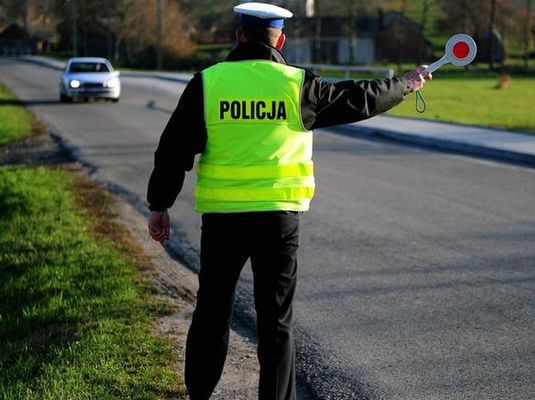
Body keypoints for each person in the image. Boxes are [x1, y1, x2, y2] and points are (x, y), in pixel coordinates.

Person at [147, 3, 431, 399]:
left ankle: (199, 396)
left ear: (238, 35)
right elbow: (358, 97)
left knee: (211, 314)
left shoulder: (207, 83)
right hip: (278, 221)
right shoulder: (299, 85)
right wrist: (404, 84)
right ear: (280, 39)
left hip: (223, 220)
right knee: (276, 323)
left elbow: (174, 148)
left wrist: (159, 205)